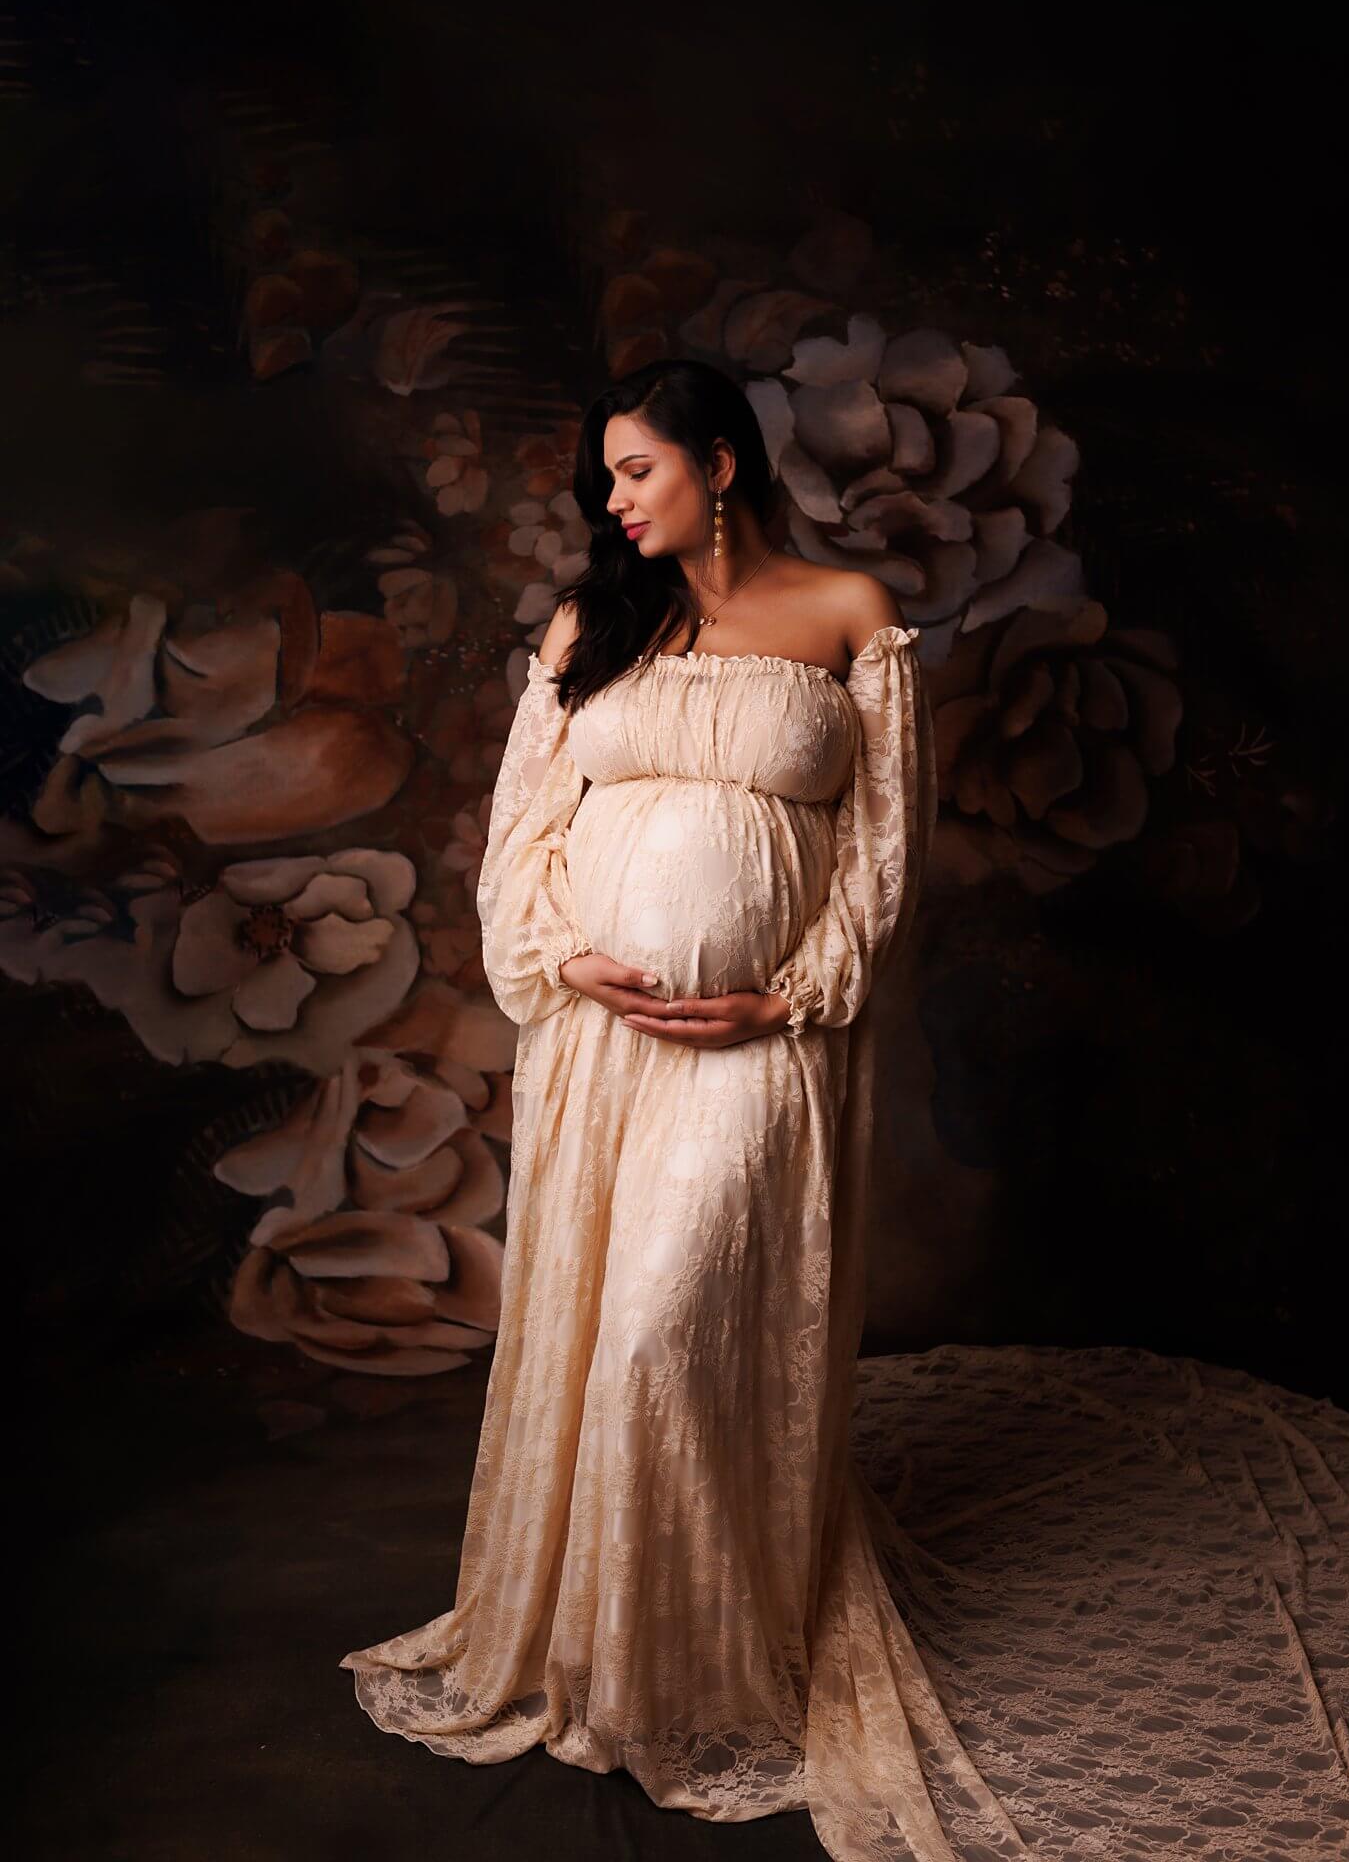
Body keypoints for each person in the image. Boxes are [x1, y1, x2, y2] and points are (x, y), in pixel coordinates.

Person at [340, 358, 1002, 1862]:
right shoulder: (591, 628)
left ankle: (700, 1665)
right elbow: (523, 836)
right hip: (601, 1043)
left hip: (762, 1043)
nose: (610, 500)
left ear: (718, 462)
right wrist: (568, 954)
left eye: (633, 471)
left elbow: (882, 859)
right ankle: (611, 1657)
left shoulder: (845, 615)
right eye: (605, 480)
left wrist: (787, 994)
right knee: (610, 1335)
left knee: (665, 1326)